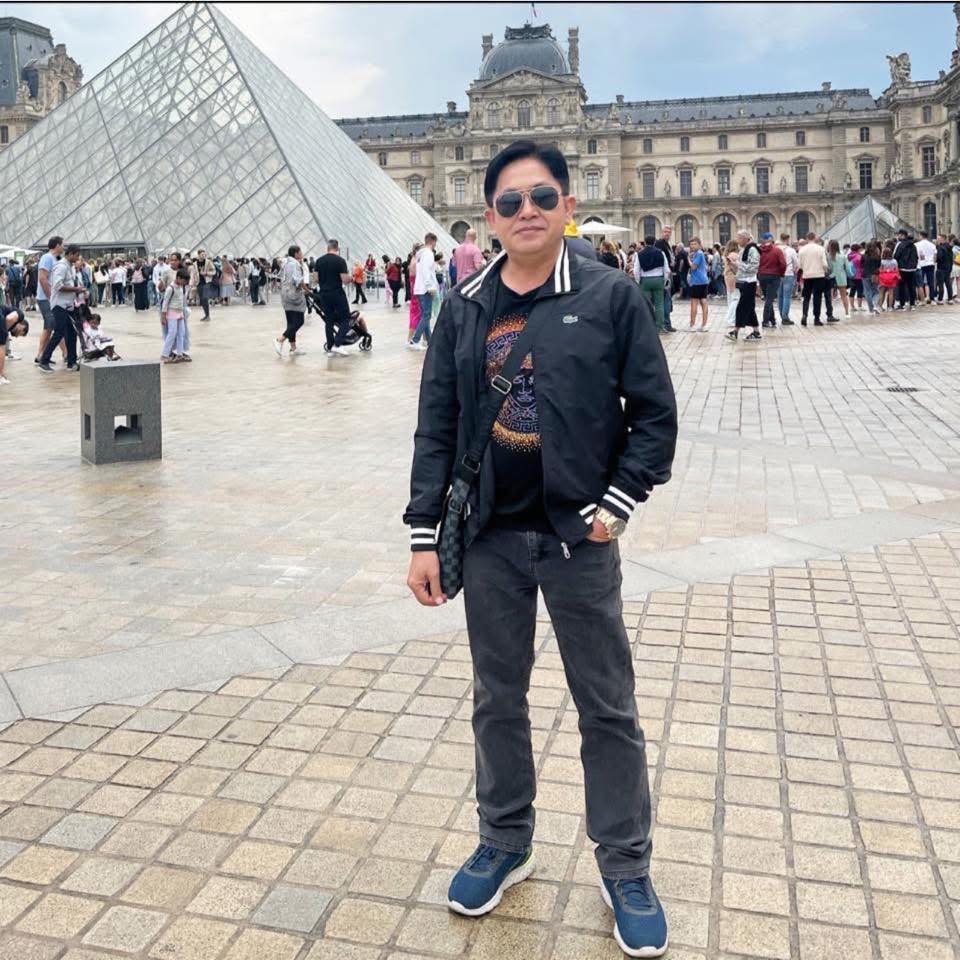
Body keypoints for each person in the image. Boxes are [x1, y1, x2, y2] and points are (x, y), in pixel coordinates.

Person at [404, 139, 676, 959]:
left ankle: (625, 864)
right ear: (488, 216)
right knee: (497, 698)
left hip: (576, 539)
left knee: (607, 705)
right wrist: (425, 536)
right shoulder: (464, 304)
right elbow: (437, 425)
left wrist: (614, 507)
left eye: (543, 197)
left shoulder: (609, 295)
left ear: (567, 207)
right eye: (511, 201)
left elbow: (654, 415)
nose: (528, 212)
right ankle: (505, 838)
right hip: (489, 536)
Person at [38, 244, 84, 373]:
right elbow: (58, 286)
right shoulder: (61, 267)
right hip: (59, 305)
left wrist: (77, 291)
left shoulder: (69, 266)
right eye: (77, 255)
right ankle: (44, 361)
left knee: (71, 333)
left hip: (67, 305)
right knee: (59, 332)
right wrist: (76, 289)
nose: (78, 258)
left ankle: (71, 362)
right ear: (71, 253)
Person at [314, 239, 353, 355]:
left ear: (328, 248)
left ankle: (330, 347)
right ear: (337, 248)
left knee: (329, 320)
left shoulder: (319, 261)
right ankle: (337, 344)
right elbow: (345, 280)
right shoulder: (340, 261)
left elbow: (315, 279)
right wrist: (351, 278)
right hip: (337, 293)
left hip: (323, 294)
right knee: (346, 319)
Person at [273, 245, 311, 358]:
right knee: (299, 321)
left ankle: (293, 348)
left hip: (285, 294)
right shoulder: (295, 264)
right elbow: (298, 281)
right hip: (294, 295)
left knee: (290, 322)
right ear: (296, 253)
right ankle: (280, 340)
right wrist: (307, 290)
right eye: (300, 252)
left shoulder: (286, 262)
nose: (302, 254)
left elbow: (279, 261)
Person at [35, 237, 65, 366]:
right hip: (45, 298)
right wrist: (50, 297)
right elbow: (42, 278)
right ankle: (40, 355)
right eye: (63, 244)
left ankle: (61, 353)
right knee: (49, 326)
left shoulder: (56, 259)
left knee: (54, 326)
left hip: (50, 298)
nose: (64, 247)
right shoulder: (47, 258)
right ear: (57, 245)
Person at [727, 230, 761, 341]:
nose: (738, 241)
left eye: (740, 238)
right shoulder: (743, 250)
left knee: (741, 307)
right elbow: (741, 268)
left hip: (749, 282)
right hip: (744, 281)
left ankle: (735, 331)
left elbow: (753, 267)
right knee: (750, 308)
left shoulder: (753, 250)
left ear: (746, 239)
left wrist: (737, 264)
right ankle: (756, 332)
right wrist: (732, 265)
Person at [633, 236, 668, 332]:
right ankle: (660, 326)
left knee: (646, 304)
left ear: (645, 242)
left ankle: (648, 326)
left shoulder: (639, 254)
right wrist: (664, 280)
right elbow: (666, 269)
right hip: (658, 279)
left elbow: (636, 270)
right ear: (654, 242)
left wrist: (638, 281)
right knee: (659, 304)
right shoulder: (661, 252)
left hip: (645, 280)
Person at [411, 232, 439, 349]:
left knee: (424, 315)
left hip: (419, 288)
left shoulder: (420, 254)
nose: (435, 245)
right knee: (427, 315)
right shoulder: (428, 253)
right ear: (432, 241)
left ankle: (429, 340)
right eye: (435, 242)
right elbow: (426, 271)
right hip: (425, 289)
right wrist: (430, 286)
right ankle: (415, 340)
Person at [797, 232, 830, 326]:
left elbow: (800, 265)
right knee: (817, 297)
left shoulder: (802, 250)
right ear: (815, 238)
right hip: (819, 275)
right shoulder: (820, 249)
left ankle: (804, 315)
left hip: (807, 275)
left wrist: (805, 269)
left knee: (806, 296)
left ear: (807, 238)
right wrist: (825, 271)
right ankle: (816, 318)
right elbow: (824, 264)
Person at [756, 233, 786, 329]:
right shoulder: (777, 250)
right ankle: (765, 321)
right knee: (769, 299)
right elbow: (783, 264)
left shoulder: (759, 250)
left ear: (763, 240)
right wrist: (781, 274)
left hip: (762, 276)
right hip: (774, 276)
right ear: (772, 239)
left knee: (768, 297)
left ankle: (772, 320)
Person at [160, 268, 191, 363]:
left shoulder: (180, 288)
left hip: (180, 313)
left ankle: (179, 354)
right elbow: (165, 303)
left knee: (181, 333)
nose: (184, 283)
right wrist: (163, 316)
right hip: (171, 313)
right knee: (172, 333)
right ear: (178, 278)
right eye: (183, 281)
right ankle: (165, 355)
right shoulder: (170, 288)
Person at [0, 306, 29, 385]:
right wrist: (4, 330)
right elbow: (10, 318)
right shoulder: (21, 315)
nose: (16, 336)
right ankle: (0, 376)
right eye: (20, 333)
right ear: (23, 326)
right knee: (2, 345)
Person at [686, 237, 709, 330]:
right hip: (703, 280)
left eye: (695, 244)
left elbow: (693, 267)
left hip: (696, 281)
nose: (692, 246)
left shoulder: (699, 254)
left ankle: (692, 325)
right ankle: (704, 325)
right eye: (691, 244)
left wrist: (688, 259)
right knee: (703, 301)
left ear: (699, 245)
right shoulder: (699, 253)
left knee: (694, 302)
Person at [776, 233, 798, 325]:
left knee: (779, 296)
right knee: (787, 296)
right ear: (787, 239)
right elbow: (796, 263)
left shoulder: (776, 249)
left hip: (777, 274)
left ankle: (781, 315)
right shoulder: (791, 250)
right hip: (788, 273)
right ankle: (785, 317)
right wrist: (794, 271)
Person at [893, 230, 918, 311]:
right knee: (911, 286)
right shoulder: (913, 245)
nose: (898, 236)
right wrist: (914, 265)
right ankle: (912, 304)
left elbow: (896, 256)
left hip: (902, 268)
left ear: (902, 235)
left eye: (899, 235)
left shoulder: (900, 244)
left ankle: (902, 304)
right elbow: (916, 256)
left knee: (901, 286)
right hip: (912, 269)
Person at [826, 240, 849, 321]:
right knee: (844, 296)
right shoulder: (843, 256)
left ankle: (831, 313)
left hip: (831, 278)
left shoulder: (828, 256)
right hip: (841, 277)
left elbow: (828, 268)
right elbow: (847, 268)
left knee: (830, 297)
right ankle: (846, 313)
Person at [721, 239, 740, 327]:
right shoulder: (734, 255)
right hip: (733, 277)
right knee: (736, 298)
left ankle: (731, 318)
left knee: (730, 298)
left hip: (727, 276)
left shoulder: (727, 255)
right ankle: (730, 318)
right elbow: (738, 266)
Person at [915, 230, 937, 306]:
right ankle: (932, 299)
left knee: (920, 283)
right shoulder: (932, 245)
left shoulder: (917, 244)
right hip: (930, 264)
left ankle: (921, 298)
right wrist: (933, 262)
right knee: (931, 282)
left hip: (921, 264)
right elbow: (935, 255)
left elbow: (918, 255)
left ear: (921, 235)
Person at [861, 241, 882, 314]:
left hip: (865, 275)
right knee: (876, 291)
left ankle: (871, 309)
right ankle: (875, 304)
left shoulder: (863, 256)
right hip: (875, 275)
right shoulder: (877, 256)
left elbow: (861, 265)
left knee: (867, 292)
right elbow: (879, 266)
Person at [878, 245, 900, 311]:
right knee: (891, 293)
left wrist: (885, 271)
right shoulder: (894, 261)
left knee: (881, 293)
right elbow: (896, 269)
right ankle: (890, 307)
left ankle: (880, 306)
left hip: (883, 278)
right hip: (892, 278)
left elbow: (880, 270)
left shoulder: (882, 261)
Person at [935, 233, 955, 304]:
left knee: (940, 284)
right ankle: (950, 299)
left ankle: (940, 299)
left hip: (941, 267)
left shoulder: (940, 247)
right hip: (948, 268)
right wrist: (950, 267)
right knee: (948, 284)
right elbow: (951, 258)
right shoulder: (949, 247)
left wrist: (936, 259)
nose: (937, 240)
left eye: (938, 238)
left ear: (942, 239)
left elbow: (939, 257)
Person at [846, 244, 864, 311]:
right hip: (859, 275)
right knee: (860, 291)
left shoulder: (849, 256)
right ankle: (860, 306)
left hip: (851, 275)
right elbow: (861, 265)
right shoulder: (859, 256)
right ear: (858, 249)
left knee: (852, 290)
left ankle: (852, 307)